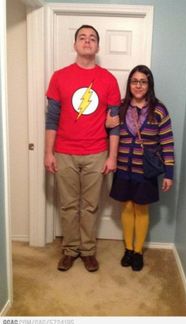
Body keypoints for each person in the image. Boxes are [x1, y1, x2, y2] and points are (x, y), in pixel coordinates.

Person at [44, 25, 121, 272]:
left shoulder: (108, 79)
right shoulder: (59, 77)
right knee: (67, 205)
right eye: (82, 37)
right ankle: (70, 250)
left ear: (97, 46)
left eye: (92, 39)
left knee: (90, 206)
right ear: (75, 44)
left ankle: (87, 250)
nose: (87, 42)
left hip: (97, 153)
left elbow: (115, 125)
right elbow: (52, 119)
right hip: (64, 152)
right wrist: (48, 152)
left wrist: (112, 157)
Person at [108, 64, 175, 271]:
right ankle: (128, 249)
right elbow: (110, 134)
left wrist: (169, 173)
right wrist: (107, 124)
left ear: (149, 85)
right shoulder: (120, 107)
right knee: (126, 207)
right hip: (122, 169)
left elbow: (167, 142)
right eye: (134, 81)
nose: (138, 85)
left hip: (145, 171)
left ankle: (138, 252)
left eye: (143, 82)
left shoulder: (159, 110)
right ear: (129, 84)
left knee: (141, 209)